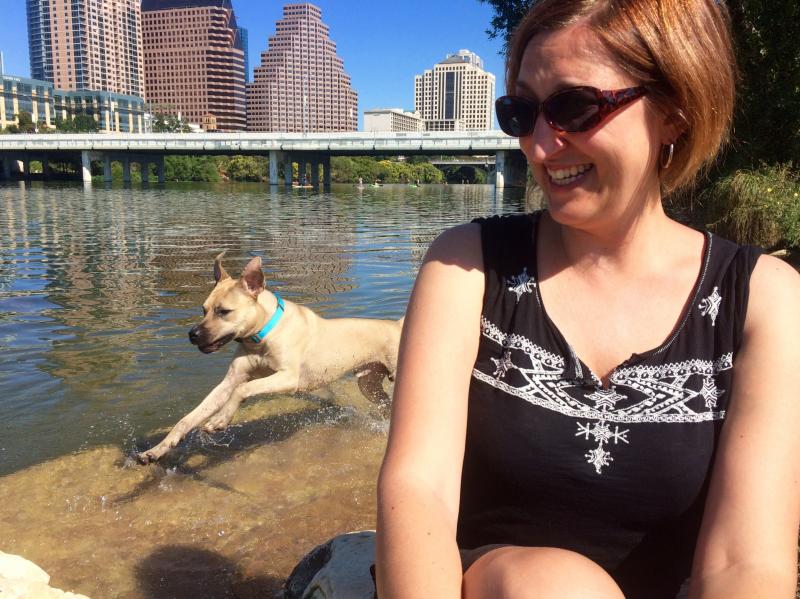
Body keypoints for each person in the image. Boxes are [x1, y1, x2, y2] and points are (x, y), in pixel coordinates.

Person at [376, 0, 800, 597]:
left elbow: (746, 562)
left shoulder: (764, 300)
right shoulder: (466, 266)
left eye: (576, 107)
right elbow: (418, 489)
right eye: (521, 112)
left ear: (675, 112)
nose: (541, 148)